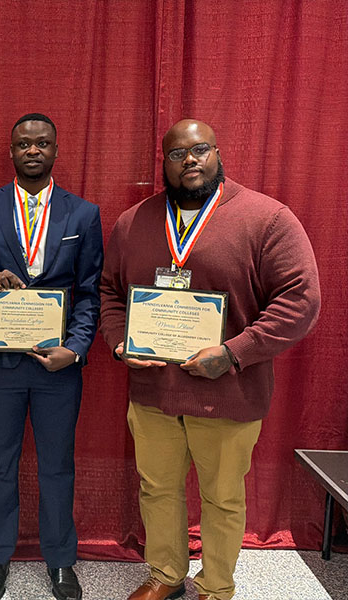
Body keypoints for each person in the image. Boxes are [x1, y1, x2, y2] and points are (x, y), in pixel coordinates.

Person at [99, 119, 321, 600]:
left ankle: (216, 587)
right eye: (178, 154)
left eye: (200, 150)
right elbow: (110, 293)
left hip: (229, 392)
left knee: (221, 498)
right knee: (156, 489)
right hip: (155, 392)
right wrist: (119, 343)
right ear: (164, 162)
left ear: (218, 153)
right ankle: (166, 574)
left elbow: (300, 300)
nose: (191, 161)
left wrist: (233, 353)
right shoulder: (133, 222)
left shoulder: (267, 218)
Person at [0, 113, 103, 600]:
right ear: (10, 152)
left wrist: (75, 348)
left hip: (58, 367)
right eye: (24, 144)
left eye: (42, 143)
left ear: (55, 150)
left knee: (57, 464)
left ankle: (61, 561)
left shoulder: (83, 214)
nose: (33, 150)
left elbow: (90, 293)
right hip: (0, 365)